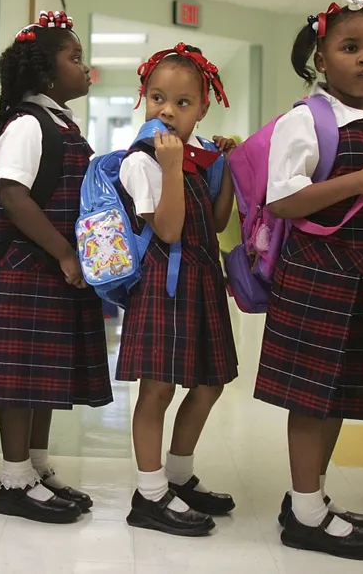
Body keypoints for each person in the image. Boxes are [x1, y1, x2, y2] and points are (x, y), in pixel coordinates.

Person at [256, 0, 363, 559]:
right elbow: (285, 202)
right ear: (321, 58)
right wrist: (361, 181)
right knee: (310, 399)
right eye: (350, 47)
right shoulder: (307, 120)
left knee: (340, 394)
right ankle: (304, 511)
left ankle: (311, 500)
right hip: (318, 277)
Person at [0, 11, 111, 524]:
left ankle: (35, 467)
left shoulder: (58, 122)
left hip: (52, 267)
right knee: (21, 378)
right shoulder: (28, 124)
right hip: (32, 267)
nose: (85, 66)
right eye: (74, 58)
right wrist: (64, 252)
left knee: (43, 377)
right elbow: (12, 194)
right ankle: (12, 481)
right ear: (47, 75)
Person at [116, 44, 238, 537]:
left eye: (182, 103)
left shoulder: (196, 158)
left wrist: (224, 169)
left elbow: (218, 220)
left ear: (203, 109)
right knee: (158, 388)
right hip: (163, 286)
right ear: (143, 98)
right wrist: (169, 168)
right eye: (157, 97)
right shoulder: (144, 162)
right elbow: (167, 230)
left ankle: (179, 477)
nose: (167, 110)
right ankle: (148, 495)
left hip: (201, 279)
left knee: (210, 381)